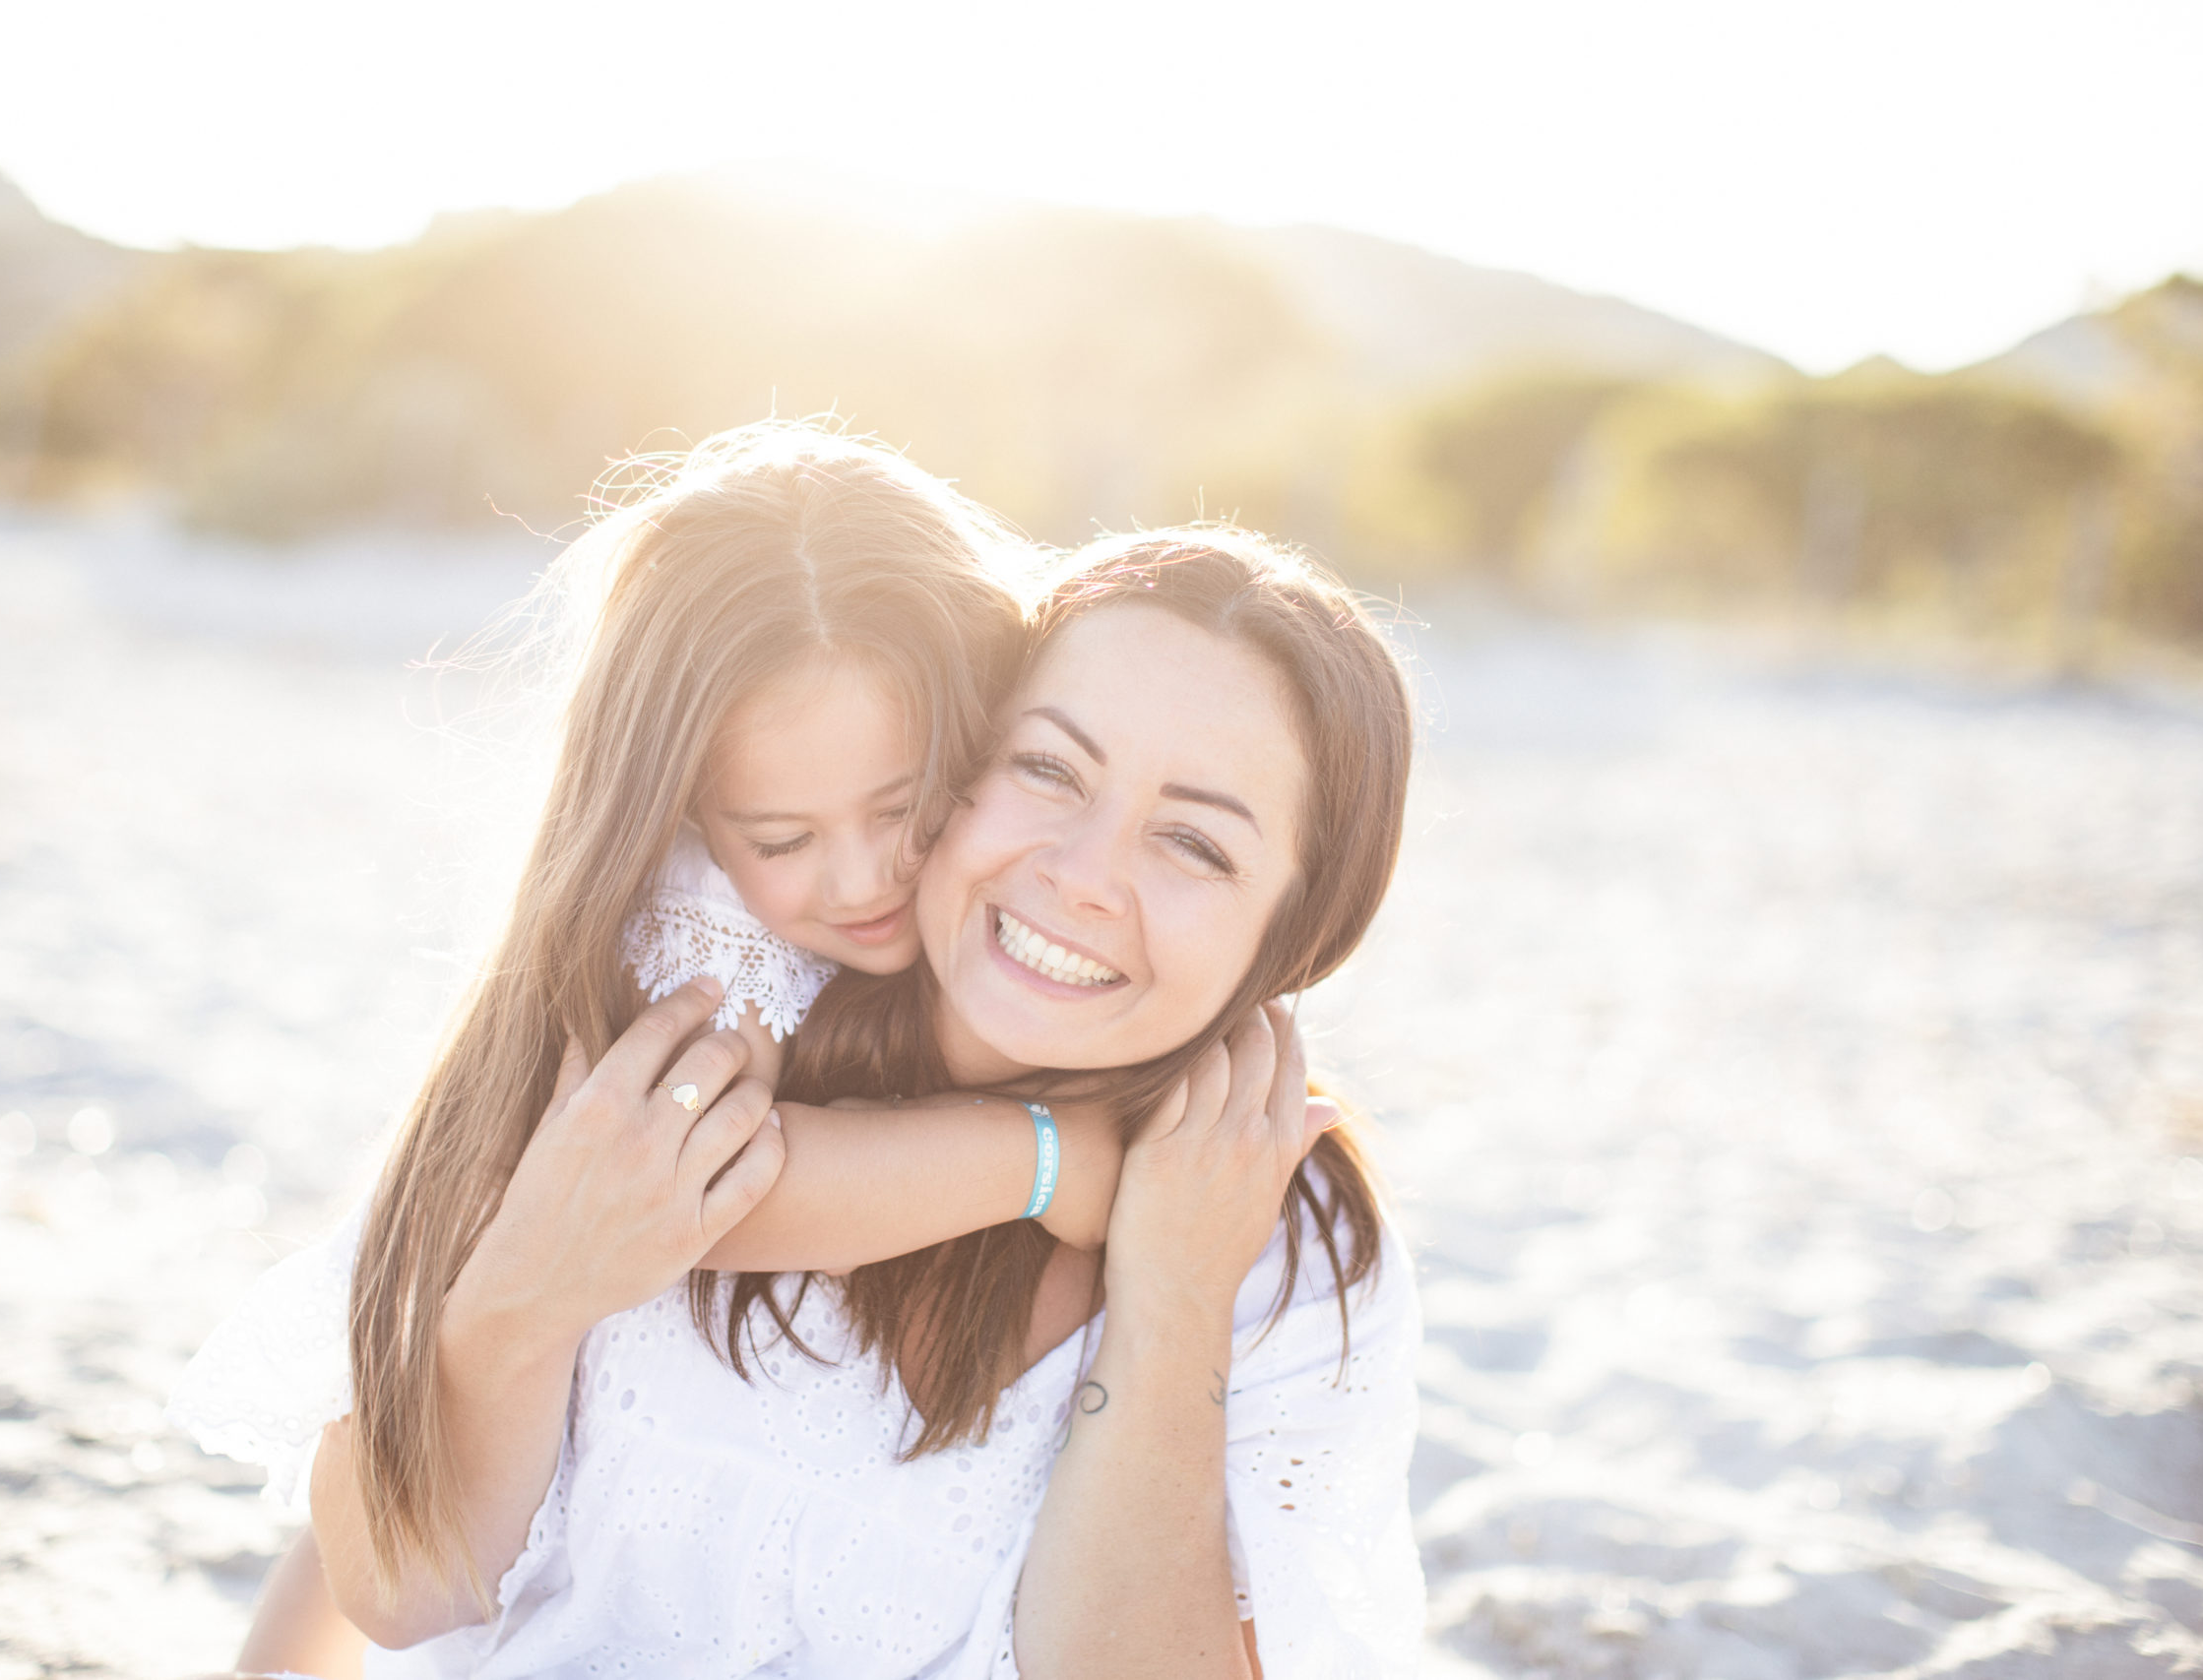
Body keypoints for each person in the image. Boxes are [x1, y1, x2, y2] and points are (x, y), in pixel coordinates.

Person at [309, 527, 1423, 1678]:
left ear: (1300, 928)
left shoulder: (1291, 1248)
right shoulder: (704, 1010)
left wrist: (1175, 1301)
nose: (1080, 875)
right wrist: (1041, 1154)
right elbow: (387, 1568)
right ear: (956, 759)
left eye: (1192, 842)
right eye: (1047, 769)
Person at [172, 419, 1142, 1676]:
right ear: (685, 814)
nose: (862, 879)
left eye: (907, 808)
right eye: (782, 840)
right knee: (409, 1433)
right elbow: (709, 1190)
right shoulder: (685, 946)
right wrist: (1042, 1157)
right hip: (473, 1460)